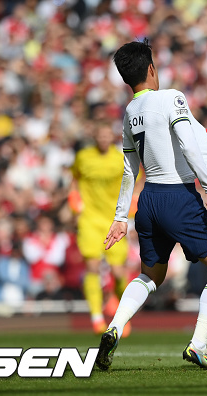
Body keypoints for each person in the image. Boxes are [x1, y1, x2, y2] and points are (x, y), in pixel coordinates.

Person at [96, 39, 207, 371]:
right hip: (178, 196)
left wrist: (121, 217)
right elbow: (190, 146)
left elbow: (130, 169)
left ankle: (115, 326)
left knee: (150, 276)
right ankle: (198, 344)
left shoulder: (130, 112)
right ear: (151, 69)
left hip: (147, 202)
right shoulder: (172, 97)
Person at [70, 124, 131, 335]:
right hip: (89, 220)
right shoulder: (83, 157)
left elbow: (137, 180)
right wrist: (74, 202)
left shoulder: (120, 158)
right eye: (100, 135)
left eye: (107, 135)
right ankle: (96, 317)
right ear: (95, 136)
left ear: (111, 137)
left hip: (114, 219)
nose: (104, 138)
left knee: (118, 271)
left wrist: (132, 206)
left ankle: (122, 313)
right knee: (92, 267)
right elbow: (74, 180)